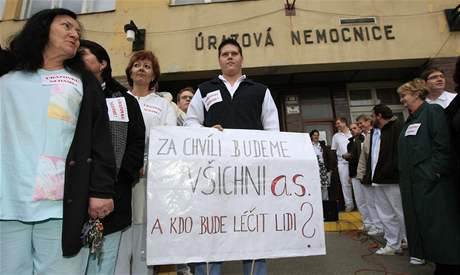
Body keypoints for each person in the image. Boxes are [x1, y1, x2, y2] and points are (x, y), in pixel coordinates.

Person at [0, 9, 116, 275]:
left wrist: (101, 190)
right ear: (42, 29)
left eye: (78, 30)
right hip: (7, 203)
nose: (75, 34)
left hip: (60, 205)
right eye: (66, 26)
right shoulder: (7, 78)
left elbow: (100, 140)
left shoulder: (82, 83)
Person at [185, 38, 279, 275]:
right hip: (213, 174)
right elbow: (191, 121)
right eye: (225, 53)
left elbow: (272, 129)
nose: (229, 57)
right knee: (212, 229)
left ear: (241, 59)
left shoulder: (260, 90)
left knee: (252, 230)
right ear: (219, 59)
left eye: (234, 53)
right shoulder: (205, 89)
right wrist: (206, 133)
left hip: (252, 174)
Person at [79, 39, 146, 275]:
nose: (77, 58)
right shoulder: (68, 92)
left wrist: (119, 175)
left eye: (83, 54)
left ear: (103, 63)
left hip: (112, 197)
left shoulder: (124, 101)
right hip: (71, 196)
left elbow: (137, 142)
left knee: (103, 266)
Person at [115, 50, 176, 275]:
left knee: (142, 239)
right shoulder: (117, 101)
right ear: (130, 71)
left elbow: (169, 141)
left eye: (147, 67)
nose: (141, 68)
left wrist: (149, 166)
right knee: (119, 239)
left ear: (154, 76)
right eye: (137, 65)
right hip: (119, 179)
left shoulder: (163, 106)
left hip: (147, 179)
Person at [398, 79, 460, 273]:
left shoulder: (432, 112)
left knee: (440, 227)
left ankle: (449, 265)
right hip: (415, 185)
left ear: (416, 94)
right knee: (424, 227)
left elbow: (442, 146)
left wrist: (433, 173)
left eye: (404, 95)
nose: (402, 100)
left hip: (433, 184)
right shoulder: (410, 120)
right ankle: (437, 263)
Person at [359, 104, 406, 255]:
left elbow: (399, 153)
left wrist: (390, 170)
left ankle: (411, 242)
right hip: (377, 178)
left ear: (379, 115)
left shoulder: (397, 127)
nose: (372, 119)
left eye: (373, 116)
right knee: (385, 213)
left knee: (400, 212)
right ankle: (393, 244)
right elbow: (372, 155)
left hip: (392, 178)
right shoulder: (375, 132)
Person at [355, 115, 383, 235]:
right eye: (358, 124)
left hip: (376, 173)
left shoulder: (376, 134)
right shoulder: (363, 137)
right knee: (369, 202)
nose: (359, 126)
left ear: (369, 121)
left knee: (377, 203)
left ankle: (380, 226)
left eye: (361, 123)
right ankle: (376, 225)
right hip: (366, 174)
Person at [343, 123, 370, 230]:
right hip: (354, 173)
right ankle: (366, 222)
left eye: (354, 128)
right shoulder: (350, 143)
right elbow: (351, 161)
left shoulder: (365, 139)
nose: (352, 130)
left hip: (364, 173)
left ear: (359, 128)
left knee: (369, 199)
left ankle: (374, 223)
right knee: (360, 200)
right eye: (351, 129)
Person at [331, 117, 354, 212]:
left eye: (338, 123)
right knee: (345, 184)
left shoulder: (353, 132)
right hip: (342, 163)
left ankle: (360, 204)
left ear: (344, 123)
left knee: (357, 184)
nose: (337, 125)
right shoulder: (336, 136)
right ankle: (349, 205)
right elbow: (333, 150)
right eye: (336, 124)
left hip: (355, 162)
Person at [309, 130, 332, 200]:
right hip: (314, 168)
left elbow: (328, 157)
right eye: (314, 135)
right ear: (311, 136)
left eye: (317, 135)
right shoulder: (308, 146)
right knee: (316, 186)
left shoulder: (322, 145)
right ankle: (318, 204)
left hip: (323, 168)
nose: (316, 136)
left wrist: (330, 169)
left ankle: (326, 204)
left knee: (324, 187)